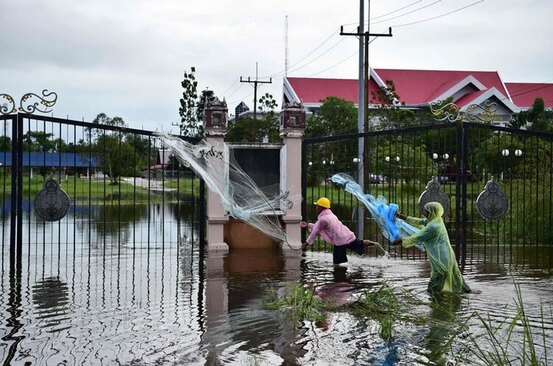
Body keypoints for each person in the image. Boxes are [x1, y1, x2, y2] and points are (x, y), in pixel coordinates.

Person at [392, 202, 471, 294]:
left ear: (432, 212)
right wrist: (401, 216)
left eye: (426, 211)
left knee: (434, 286)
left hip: (441, 258)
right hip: (446, 255)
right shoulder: (436, 220)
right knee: (455, 276)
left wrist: (401, 240)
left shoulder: (433, 227)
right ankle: (466, 292)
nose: (424, 212)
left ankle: (433, 300)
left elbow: (418, 237)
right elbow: (419, 221)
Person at [300, 197, 378, 265]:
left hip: (340, 241)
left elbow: (315, 231)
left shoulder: (323, 219)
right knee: (360, 244)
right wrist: (308, 225)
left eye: (317, 206)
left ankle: (341, 279)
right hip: (347, 236)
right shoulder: (330, 215)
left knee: (338, 264)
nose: (316, 208)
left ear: (321, 208)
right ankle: (374, 244)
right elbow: (318, 227)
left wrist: (306, 243)